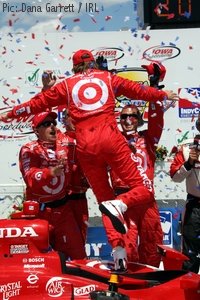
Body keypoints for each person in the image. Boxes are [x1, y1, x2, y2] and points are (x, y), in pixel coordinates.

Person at [0, 49, 178, 239]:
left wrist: (10, 114)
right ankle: (121, 203)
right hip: (111, 140)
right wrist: (161, 94)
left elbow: (38, 104)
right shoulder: (109, 78)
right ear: (93, 62)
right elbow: (138, 90)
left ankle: (118, 252)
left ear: (74, 67)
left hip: (86, 145)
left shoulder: (66, 85)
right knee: (143, 189)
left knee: (104, 199)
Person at [108, 62, 165, 270]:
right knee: (128, 247)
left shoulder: (147, 139)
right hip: (125, 200)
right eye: (124, 116)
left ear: (139, 119)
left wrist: (155, 87)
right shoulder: (113, 140)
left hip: (147, 200)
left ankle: (149, 288)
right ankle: (129, 289)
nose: (128, 119)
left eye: (133, 116)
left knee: (153, 247)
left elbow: (157, 117)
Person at [19, 110, 88, 260]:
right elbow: (29, 176)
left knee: (79, 256)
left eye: (53, 123)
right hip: (39, 214)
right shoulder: (29, 149)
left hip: (64, 210)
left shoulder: (67, 144)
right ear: (36, 130)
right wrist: (50, 173)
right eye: (46, 124)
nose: (52, 127)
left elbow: (88, 144)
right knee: (38, 259)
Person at [170, 118, 200, 274]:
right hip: (194, 206)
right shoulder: (187, 147)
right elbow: (175, 177)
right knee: (190, 256)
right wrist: (189, 163)